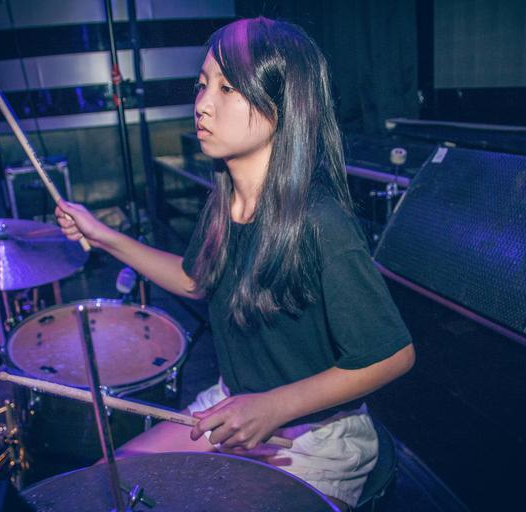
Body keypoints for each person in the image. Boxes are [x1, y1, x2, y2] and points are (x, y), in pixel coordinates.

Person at [55, 16, 415, 510]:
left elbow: (393, 355)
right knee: (104, 484)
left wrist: (274, 406)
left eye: (227, 88)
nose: (202, 104)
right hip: (233, 402)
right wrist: (104, 236)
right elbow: (194, 279)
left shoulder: (321, 222)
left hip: (314, 437)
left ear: (282, 105)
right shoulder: (225, 204)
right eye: (202, 85)